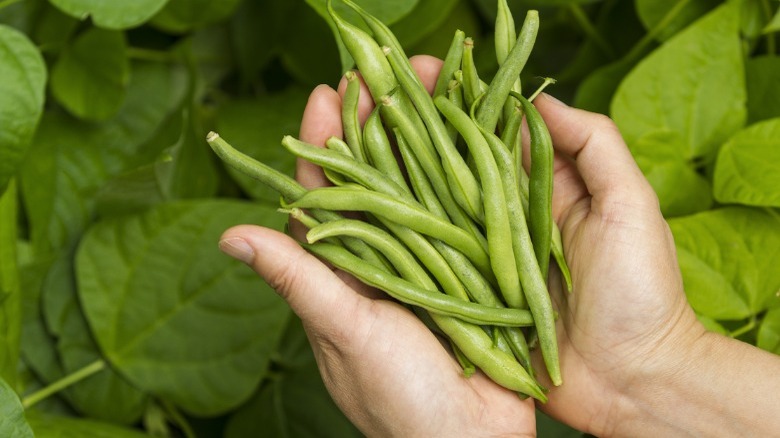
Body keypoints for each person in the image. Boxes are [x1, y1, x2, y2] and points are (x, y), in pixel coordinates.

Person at [218, 56, 780, 437]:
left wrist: (653, 362)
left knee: (436, 185)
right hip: (527, 327)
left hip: (525, 325)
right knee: (408, 198)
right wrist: (655, 363)